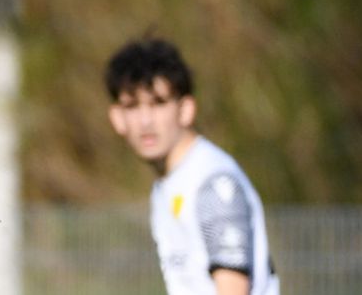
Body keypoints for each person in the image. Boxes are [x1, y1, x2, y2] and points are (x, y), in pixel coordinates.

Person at [104, 37, 280, 295]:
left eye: (158, 103)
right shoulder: (169, 185)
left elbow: (232, 290)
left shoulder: (213, 183)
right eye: (132, 106)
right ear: (117, 118)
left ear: (185, 109)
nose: (145, 121)